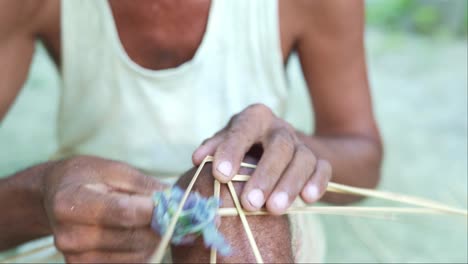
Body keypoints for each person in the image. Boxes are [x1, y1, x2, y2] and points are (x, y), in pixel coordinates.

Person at [0, 0, 382, 262]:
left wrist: (291, 152)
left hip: (265, 218)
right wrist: (41, 194)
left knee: (236, 204)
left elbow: (362, 157)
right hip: (79, 224)